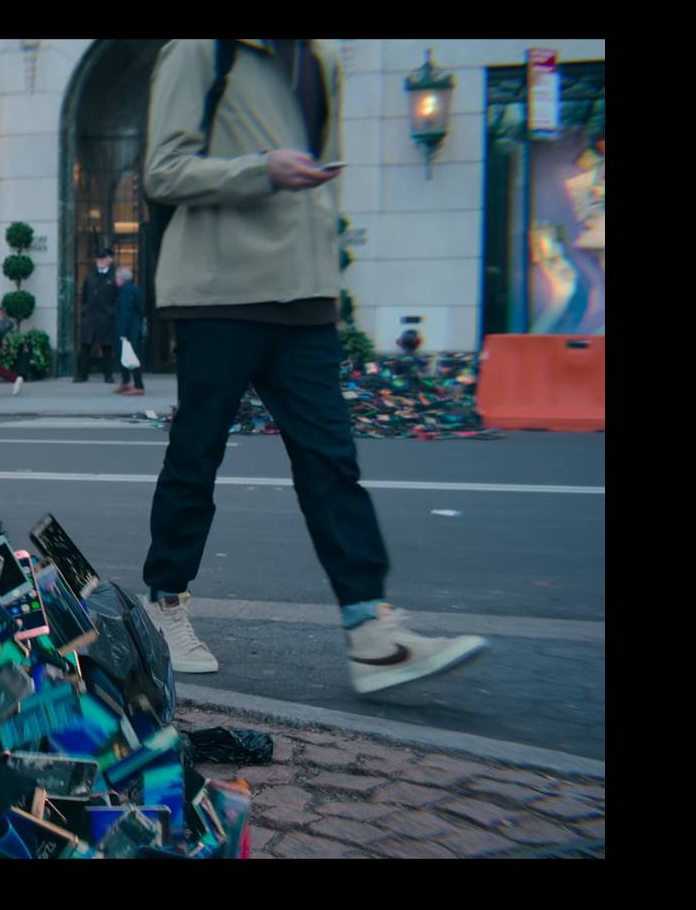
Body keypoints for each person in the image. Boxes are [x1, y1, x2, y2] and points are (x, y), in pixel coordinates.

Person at [140, 39, 486, 694]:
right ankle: (165, 606)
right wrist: (262, 169)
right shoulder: (202, 52)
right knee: (197, 454)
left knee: (332, 459)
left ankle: (370, 632)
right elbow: (162, 171)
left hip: (304, 294)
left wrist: (329, 264)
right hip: (219, 292)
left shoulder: (319, 59)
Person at [75, 248, 118, 383]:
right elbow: (85, 296)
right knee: (86, 346)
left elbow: (117, 297)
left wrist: (112, 312)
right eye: (98, 258)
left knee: (106, 347)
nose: (100, 261)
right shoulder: (90, 276)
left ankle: (108, 375)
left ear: (109, 260)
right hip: (91, 316)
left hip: (106, 317)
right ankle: (82, 374)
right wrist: (85, 310)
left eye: (103, 258)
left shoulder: (114, 276)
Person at [113, 266, 147, 395]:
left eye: (117, 277)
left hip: (129, 330)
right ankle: (126, 382)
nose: (116, 280)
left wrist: (122, 332)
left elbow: (125, 313)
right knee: (125, 356)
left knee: (131, 357)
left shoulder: (127, 291)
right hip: (132, 327)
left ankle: (138, 385)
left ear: (121, 278)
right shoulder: (132, 288)